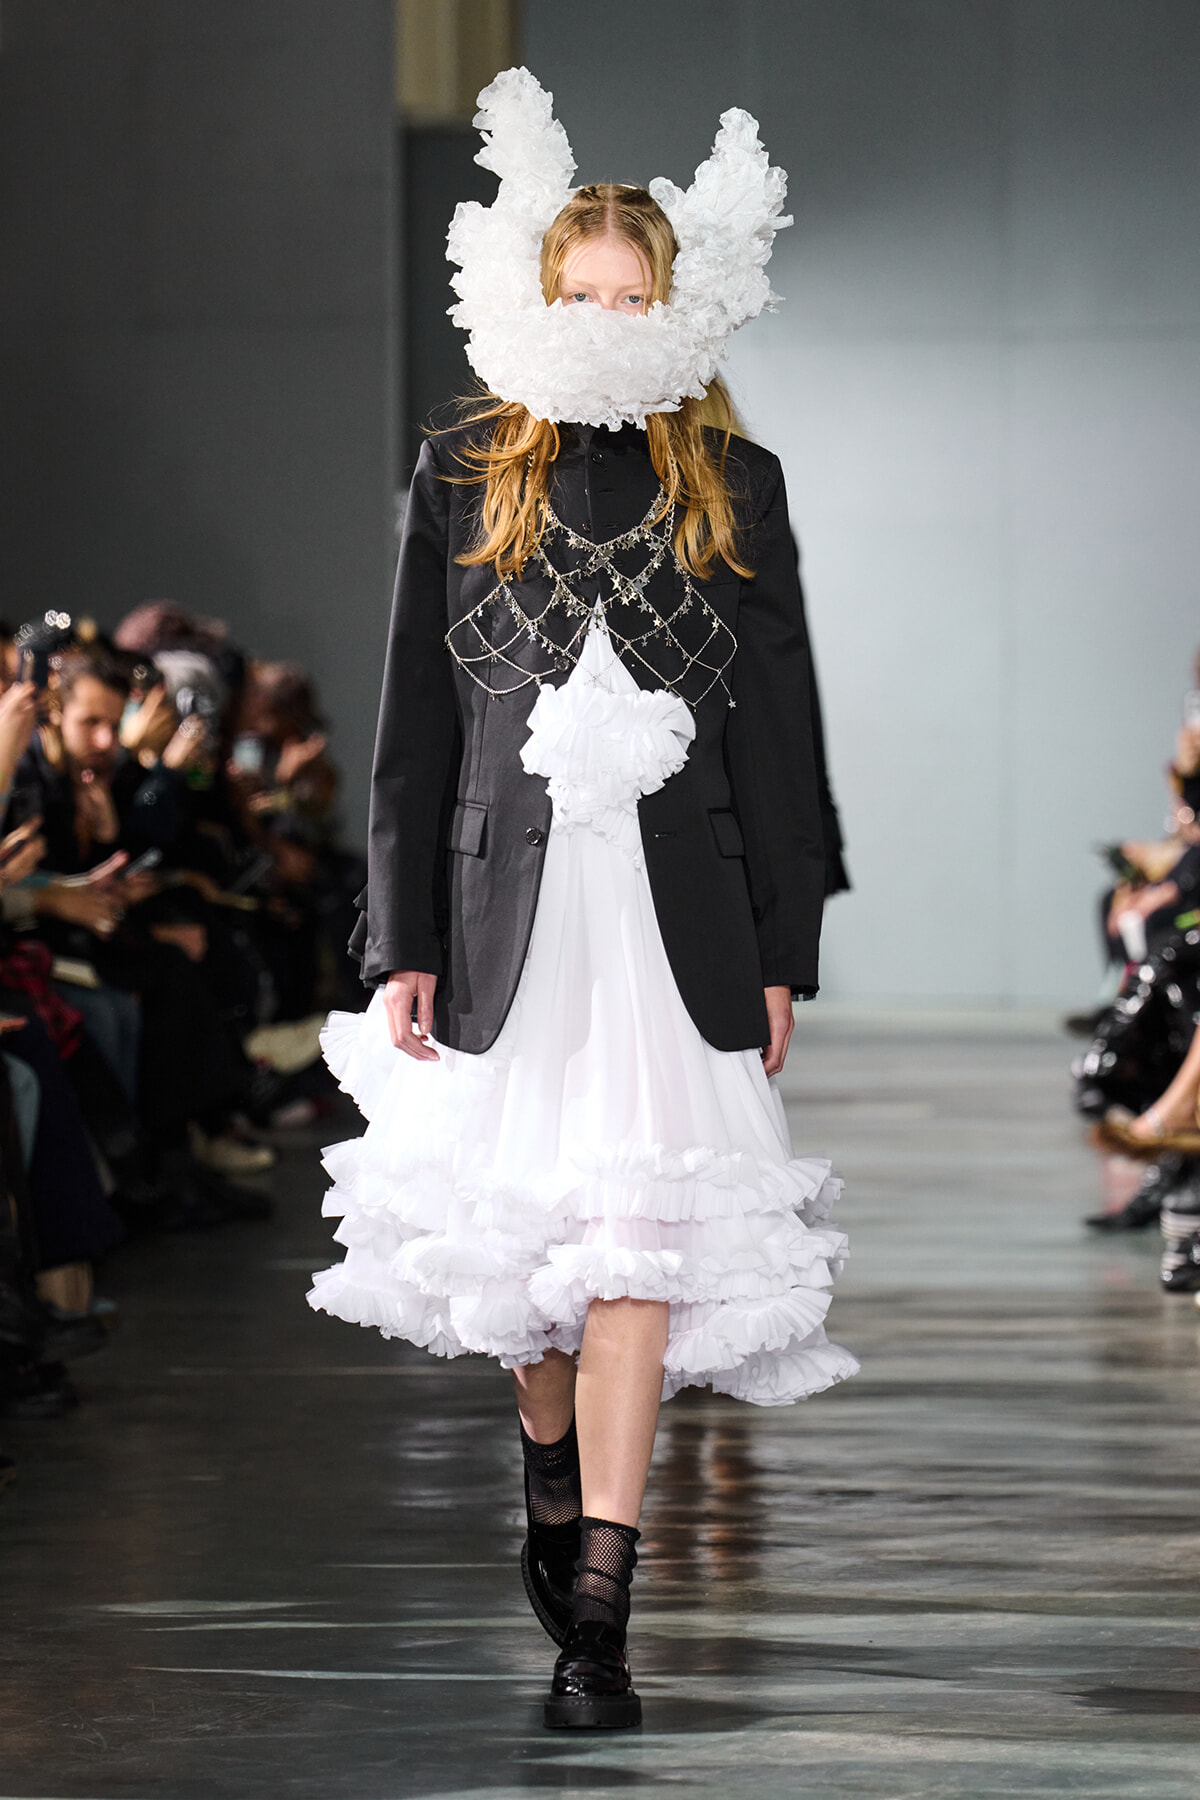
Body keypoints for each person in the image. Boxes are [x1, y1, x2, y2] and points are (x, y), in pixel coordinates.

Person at [308, 71, 856, 1729]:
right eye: (584, 296)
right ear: (536, 300)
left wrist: (784, 946)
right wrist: (400, 936)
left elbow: (781, 729)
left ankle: (602, 1606)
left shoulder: (734, 483)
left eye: (634, 299)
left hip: (677, 924)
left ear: (678, 308)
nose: (608, 324)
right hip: (506, 923)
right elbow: (413, 722)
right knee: (532, 1246)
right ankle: (546, 1455)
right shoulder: (464, 473)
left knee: (638, 1257)